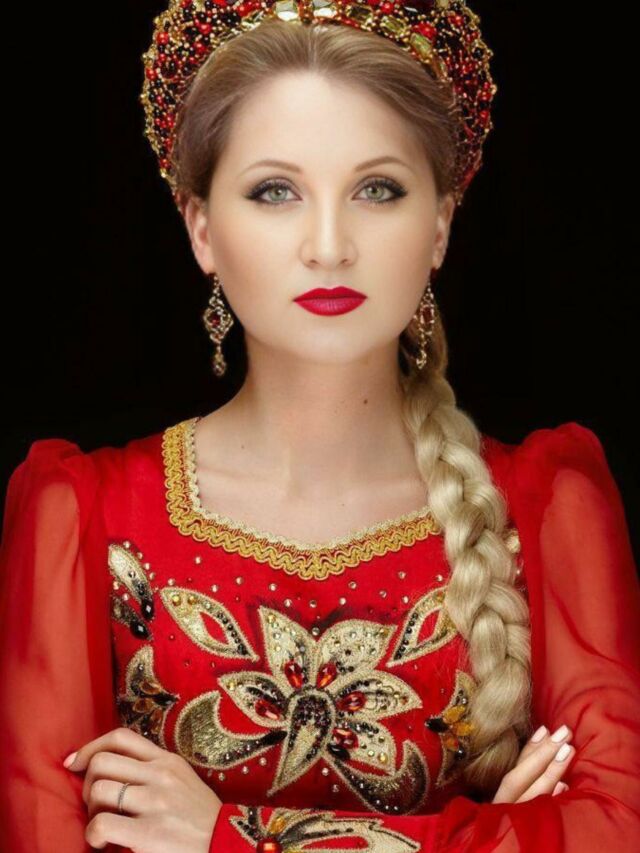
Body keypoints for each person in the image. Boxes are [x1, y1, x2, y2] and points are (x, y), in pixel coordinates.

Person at [1, 1, 639, 851]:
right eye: (276, 191)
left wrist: (231, 835)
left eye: (378, 190)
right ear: (201, 228)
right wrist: (494, 835)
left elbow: (616, 829)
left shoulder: (550, 506)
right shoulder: (82, 516)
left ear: (441, 225)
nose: (330, 246)